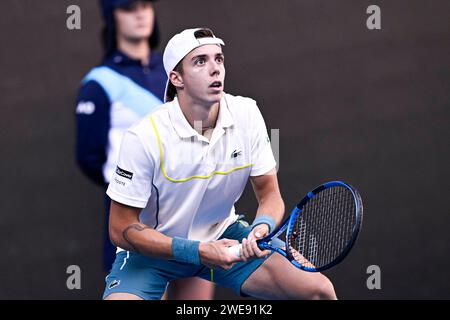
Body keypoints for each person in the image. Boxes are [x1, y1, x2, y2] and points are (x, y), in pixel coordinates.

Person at [102, 27, 338, 300]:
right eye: (200, 61)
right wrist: (195, 250)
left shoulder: (247, 113)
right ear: (176, 78)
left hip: (223, 235)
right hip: (153, 251)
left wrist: (260, 228)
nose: (215, 69)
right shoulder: (142, 137)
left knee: (318, 292)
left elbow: (270, 194)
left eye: (219, 59)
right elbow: (119, 229)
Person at [75, 0, 214, 299]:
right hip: (136, 223)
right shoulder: (99, 84)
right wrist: (137, 188)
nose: (139, 14)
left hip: (193, 219)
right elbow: (89, 156)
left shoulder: (178, 73)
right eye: (128, 7)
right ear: (112, 16)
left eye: (145, 5)